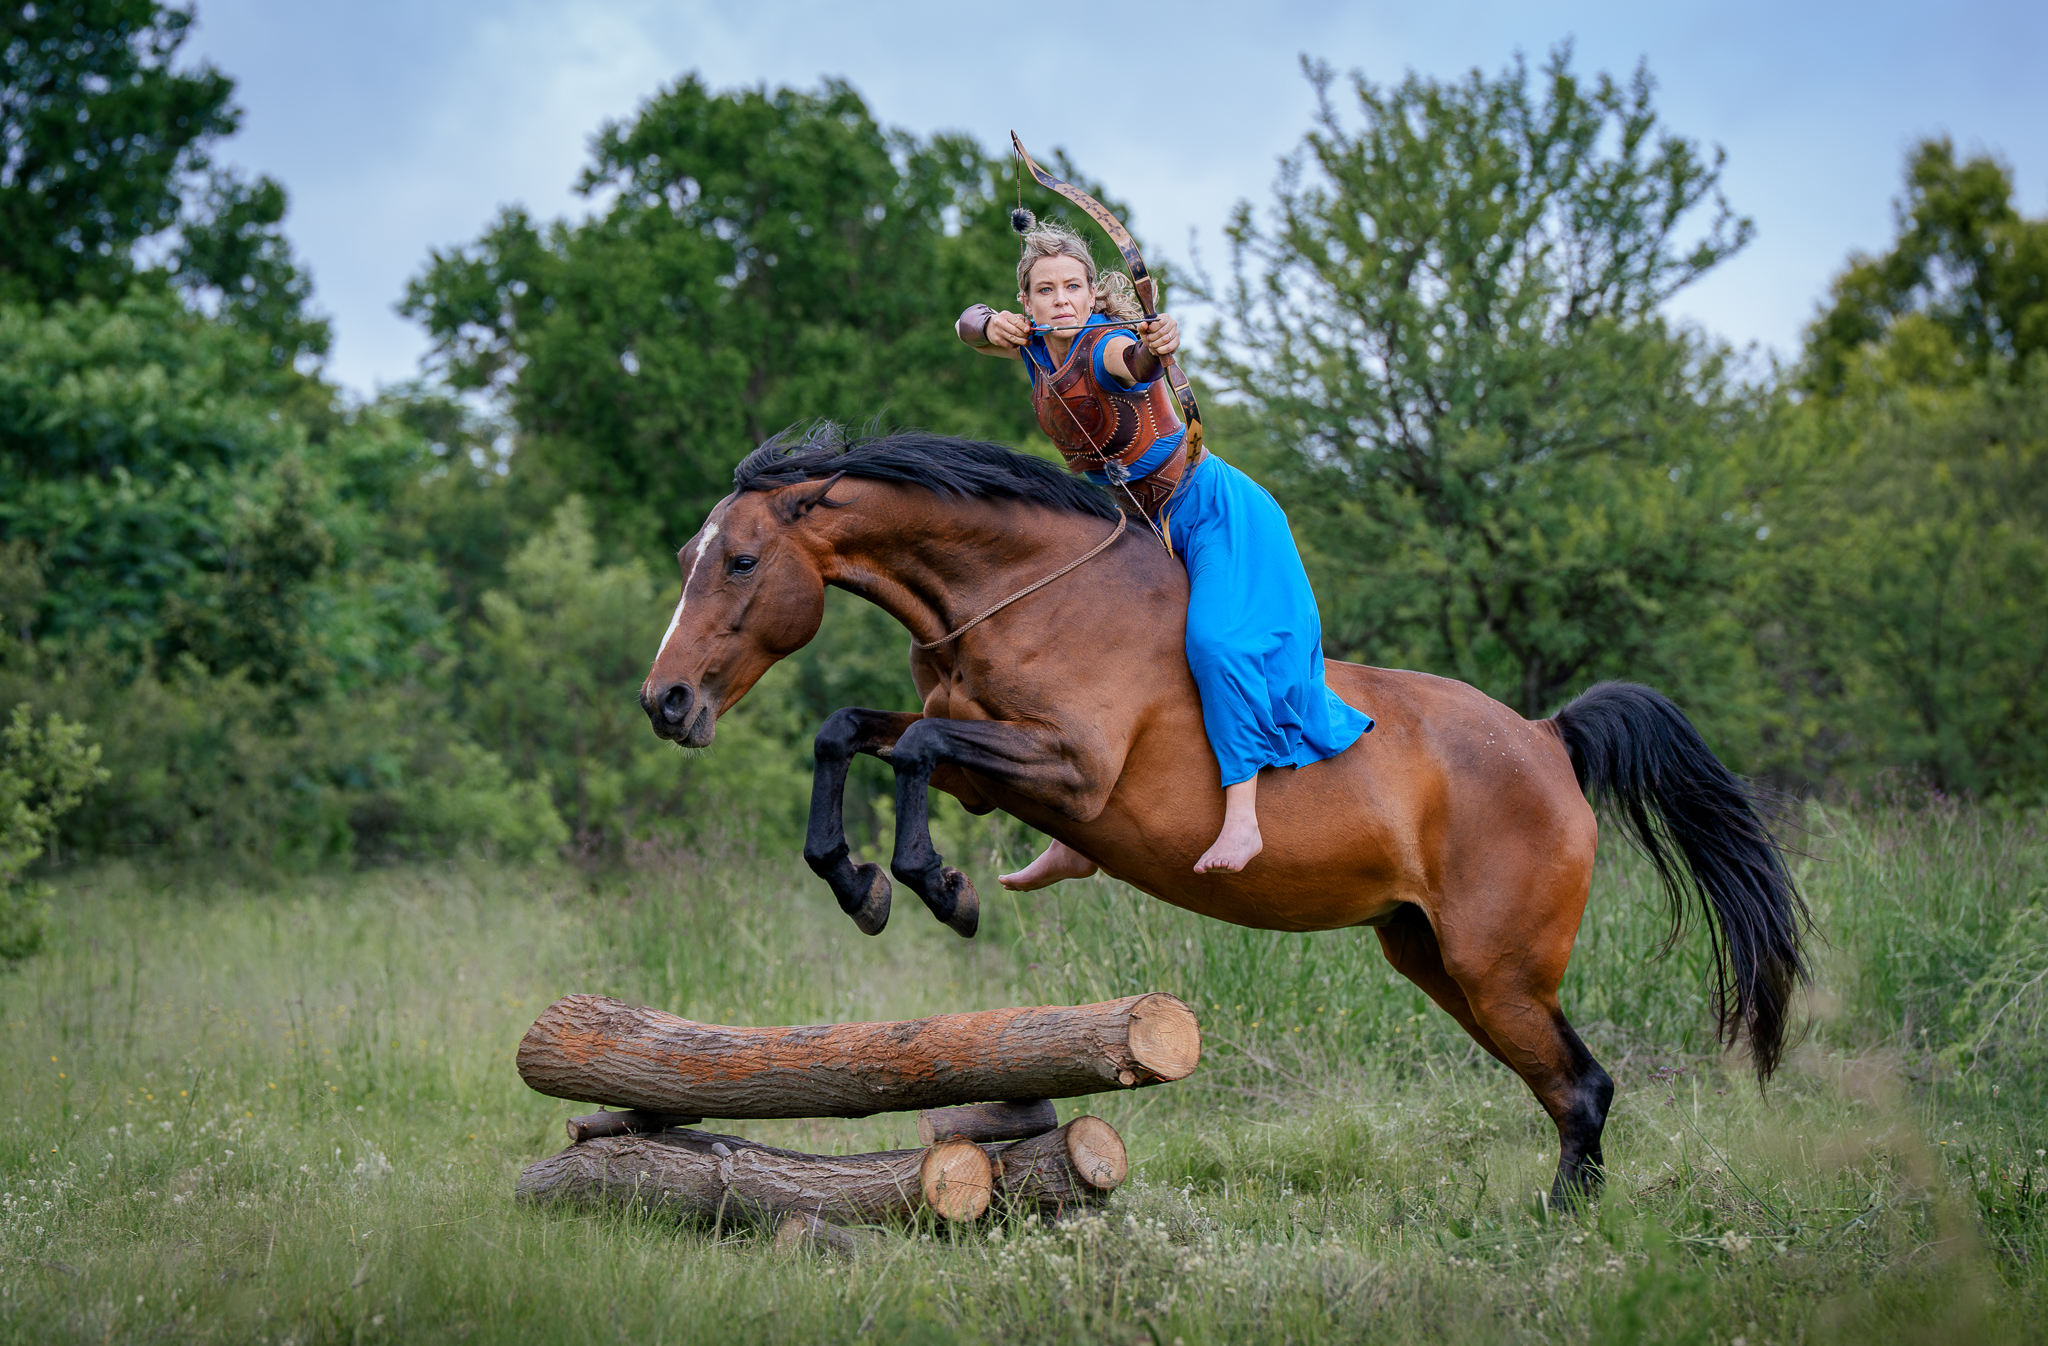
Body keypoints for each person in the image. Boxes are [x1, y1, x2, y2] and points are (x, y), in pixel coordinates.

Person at [956, 221, 1372, 887]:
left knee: (1216, 645)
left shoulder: (1105, 345)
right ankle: (1074, 836)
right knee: (1074, 650)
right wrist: (983, 324)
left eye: (1072, 287)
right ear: (1027, 302)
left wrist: (1157, 348)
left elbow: (1134, 366)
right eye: (1044, 290)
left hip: (1211, 512)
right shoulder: (1036, 347)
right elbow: (968, 324)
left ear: (1094, 294)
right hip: (1136, 524)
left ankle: (1243, 815)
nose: (1060, 299)